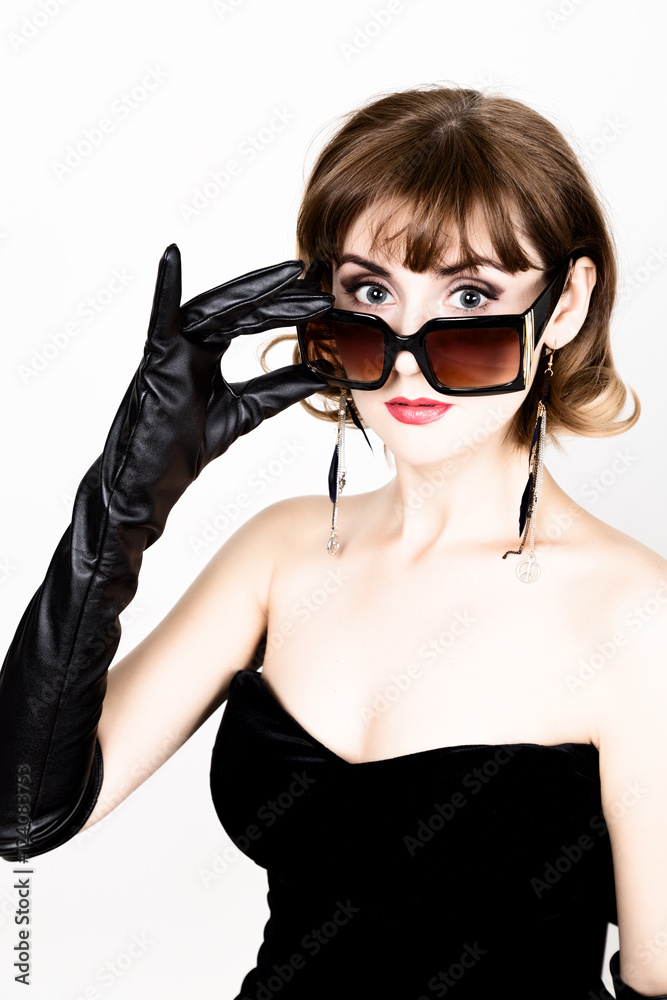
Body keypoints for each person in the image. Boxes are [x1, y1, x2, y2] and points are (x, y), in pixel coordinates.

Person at [0, 84, 665, 1000]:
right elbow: (25, 815)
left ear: (563, 305)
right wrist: (123, 503)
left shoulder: (635, 615)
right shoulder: (279, 554)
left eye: (469, 294)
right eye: (370, 293)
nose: (406, 354)